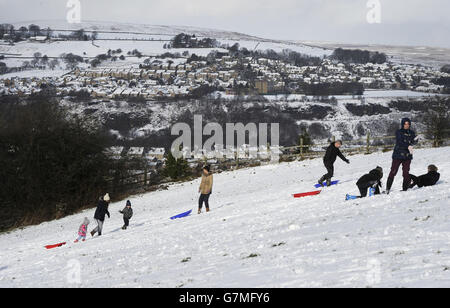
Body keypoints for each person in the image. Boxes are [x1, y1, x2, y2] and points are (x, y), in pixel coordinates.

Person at [386, 118, 418, 194]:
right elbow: (400, 142)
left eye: (408, 124)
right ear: (402, 124)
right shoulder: (399, 132)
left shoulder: (412, 133)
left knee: (406, 173)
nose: (407, 125)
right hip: (398, 155)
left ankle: (404, 189)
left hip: (407, 156)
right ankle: (387, 189)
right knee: (393, 171)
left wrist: (415, 142)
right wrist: (408, 145)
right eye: (405, 124)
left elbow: (413, 142)